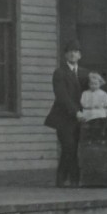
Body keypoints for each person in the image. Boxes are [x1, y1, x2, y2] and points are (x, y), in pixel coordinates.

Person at [44, 41, 86, 186]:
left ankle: (63, 179)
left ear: (80, 55)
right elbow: (62, 96)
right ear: (65, 55)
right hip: (64, 117)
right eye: (70, 51)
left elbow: (93, 88)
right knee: (69, 146)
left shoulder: (84, 73)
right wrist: (76, 112)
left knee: (73, 148)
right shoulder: (60, 73)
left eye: (76, 51)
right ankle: (72, 179)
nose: (73, 54)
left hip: (80, 118)